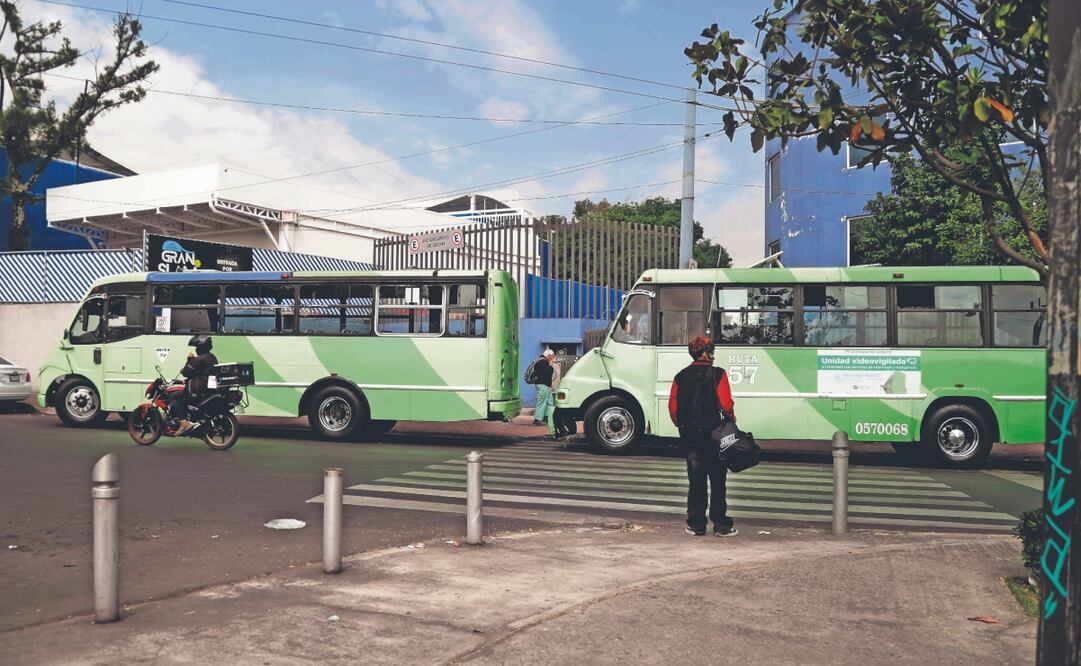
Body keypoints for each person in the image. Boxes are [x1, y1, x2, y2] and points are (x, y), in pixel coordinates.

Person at [668, 335, 738, 537]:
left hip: (691, 435)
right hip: (714, 435)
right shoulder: (718, 374)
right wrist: (731, 417)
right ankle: (721, 525)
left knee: (696, 480)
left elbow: (673, 408)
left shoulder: (680, 376)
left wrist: (683, 425)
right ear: (705, 353)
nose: (714, 356)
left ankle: (696, 524)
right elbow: (725, 404)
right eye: (712, 352)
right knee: (718, 480)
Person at [170, 334, 219, 435]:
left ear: (200, 347)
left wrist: (189, 360)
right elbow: (202, 372)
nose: (196, 349)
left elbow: (186, 372)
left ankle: (183, 422)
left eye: (197, 346)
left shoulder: (199, 359)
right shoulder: (212, 357)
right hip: (209, 387)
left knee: (173, 397)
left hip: (199, 388)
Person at [531, 349, 556, 427]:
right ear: (548, 356)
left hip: (545, 386)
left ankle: (547, 417)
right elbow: (548, 373)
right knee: (542, 401)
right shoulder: (542, 362)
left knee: (550, 401)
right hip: (542, 385)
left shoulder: (542, 361)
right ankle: (537, 419)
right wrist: (551, 366)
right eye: (552, 357)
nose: (553, 358)